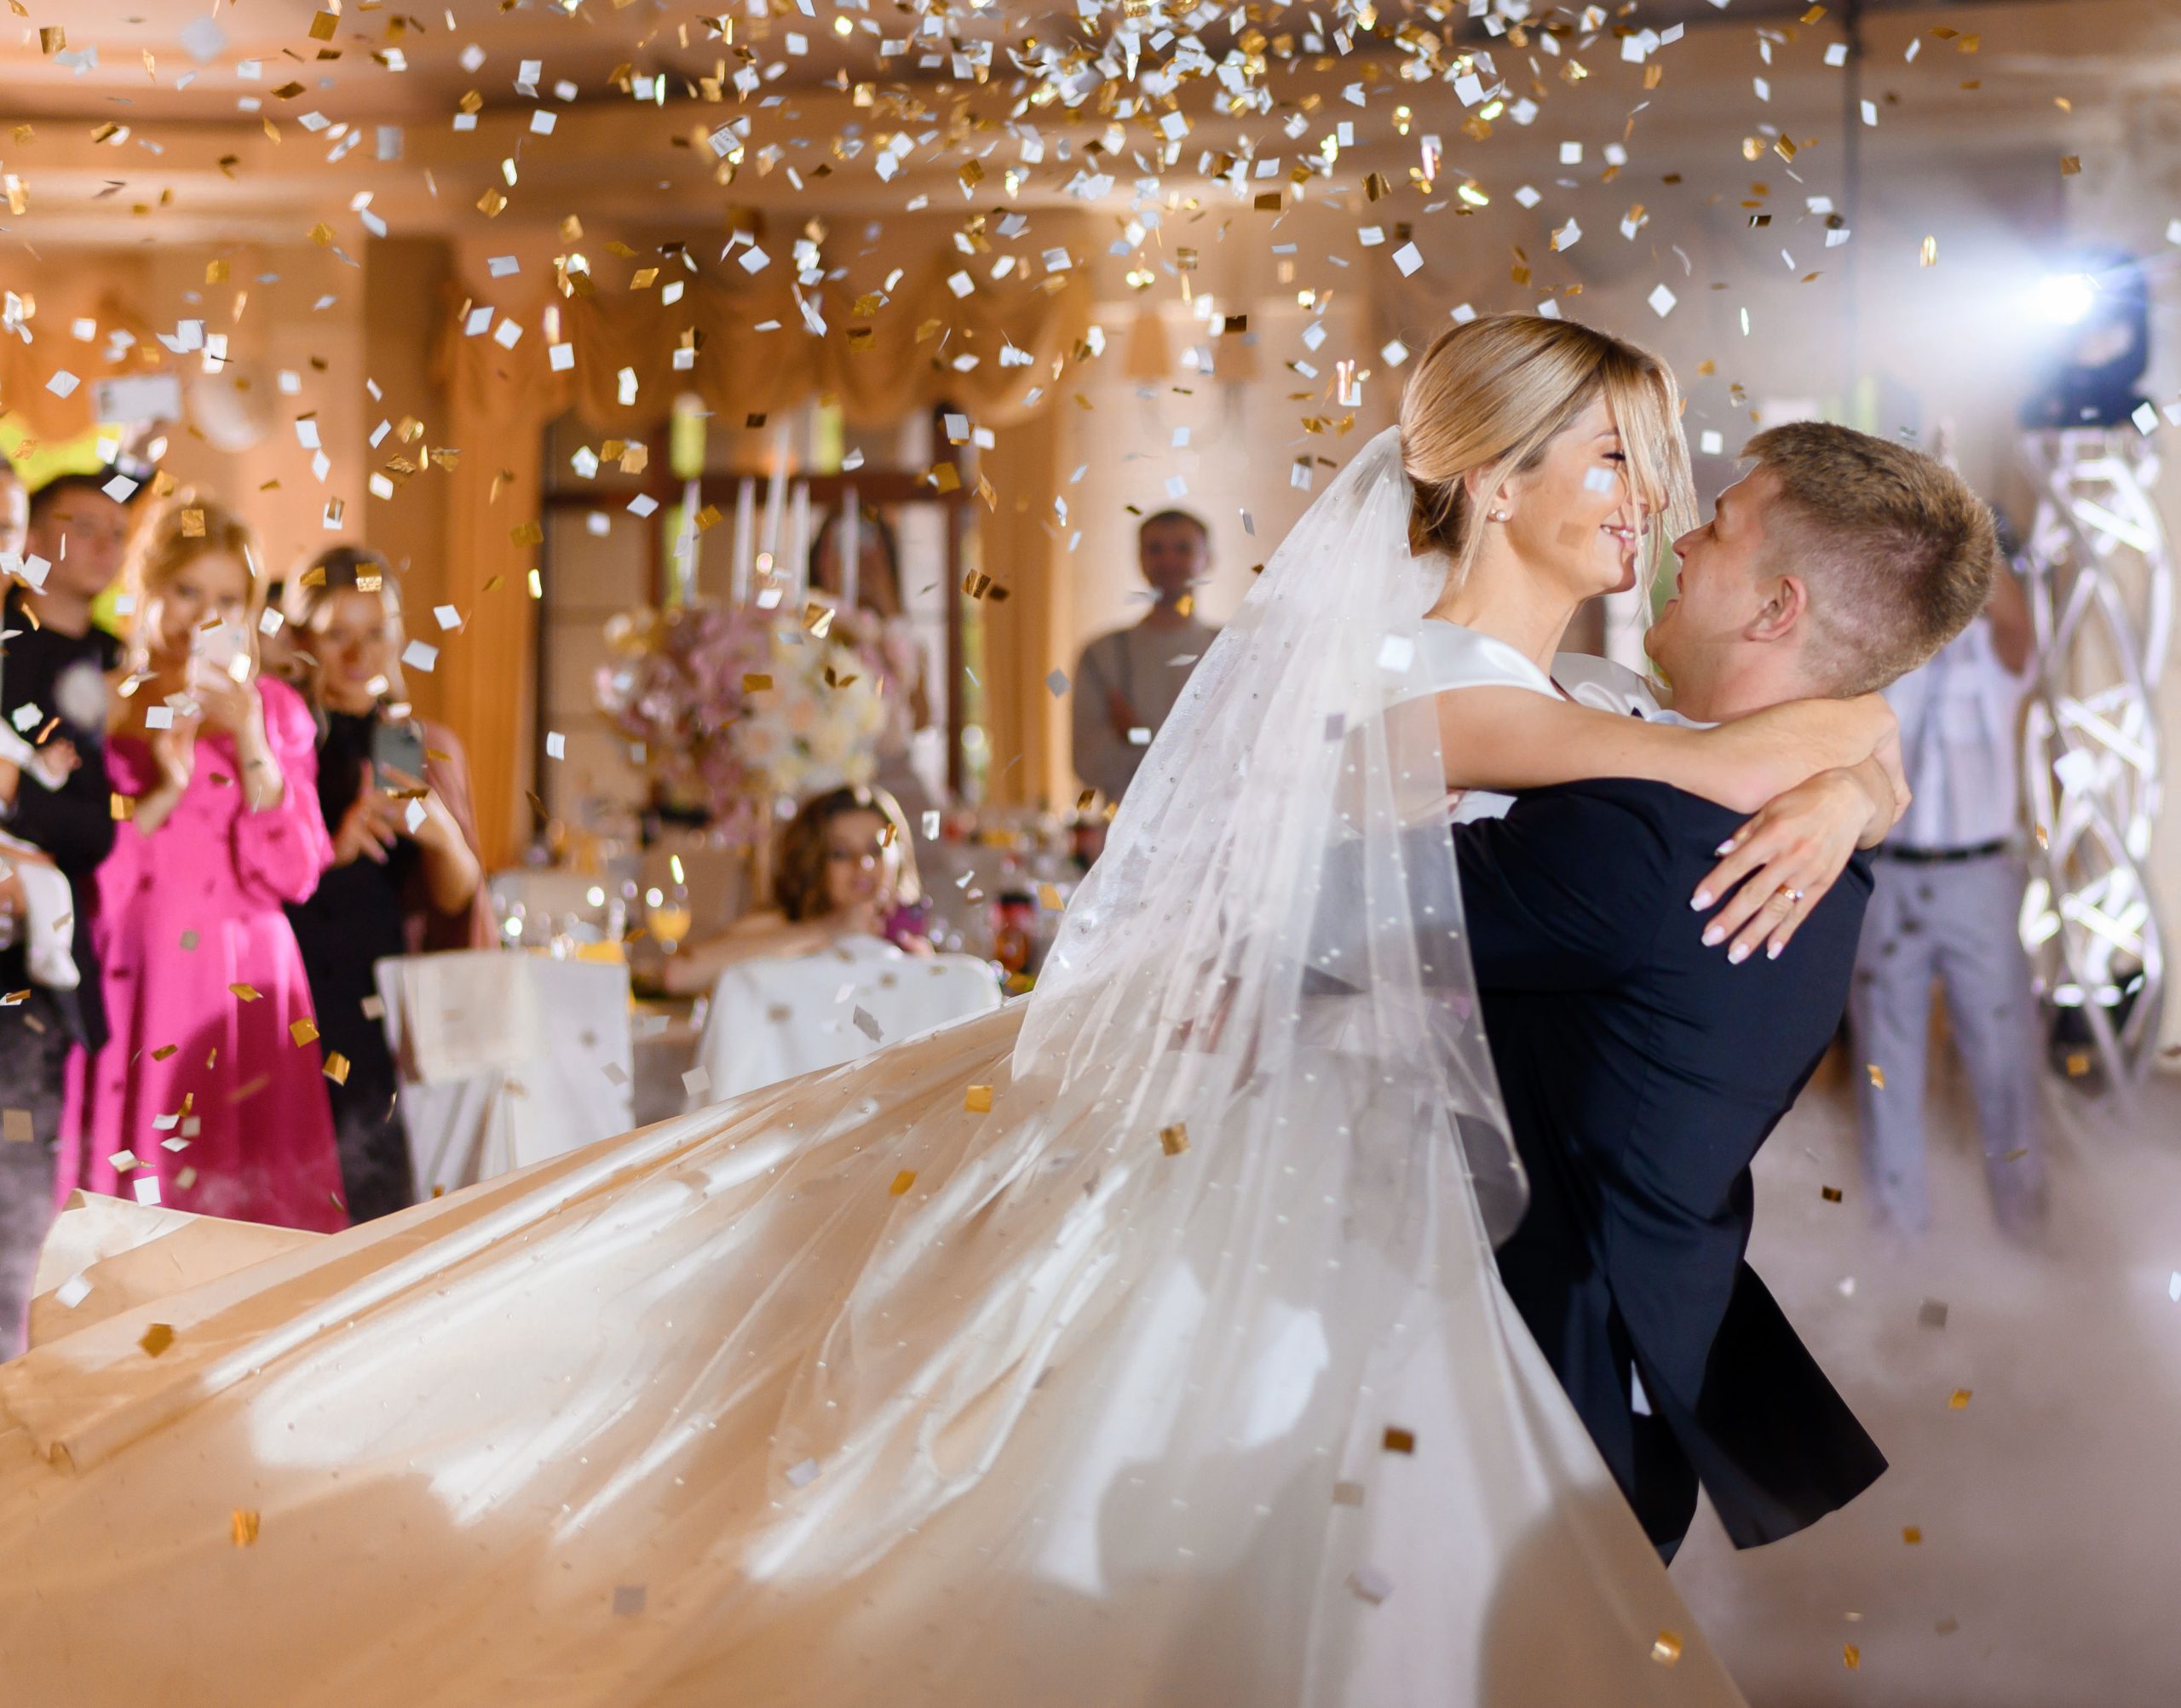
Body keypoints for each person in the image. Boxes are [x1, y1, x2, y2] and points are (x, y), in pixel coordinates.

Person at [0, 319, 1902, 1705]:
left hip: (1416, 1203)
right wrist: (1809, 750)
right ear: (1495, 478)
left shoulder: (1626, 724)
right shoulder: (1420, 668)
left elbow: (1710, 751)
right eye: (1617, 461)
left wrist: (1844, 754)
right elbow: (1464, 755)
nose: (1651, 504)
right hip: (1279, 1165)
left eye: (1662, 469)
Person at [1452, 419, 1997, 1561]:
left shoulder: (1647, 844)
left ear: (1776, 607)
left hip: (1524, 1413)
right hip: (1620, 1401)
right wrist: (1858, 756)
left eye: (1719, 523)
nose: (1678, 541)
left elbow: (1302, 905)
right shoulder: (1811, 837)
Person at [55, 497, 346, 1234]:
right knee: (141, 1217)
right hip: (139, 974)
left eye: (226, 601)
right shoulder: (104, 709)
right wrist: (164, 784)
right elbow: (91, 875)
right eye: (187, 592)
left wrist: (250, 737)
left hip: (249, 983)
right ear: (148, 591)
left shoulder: (275, 709)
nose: (202, 617)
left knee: (255, 1212)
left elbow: (297, 872)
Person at [282, 546, 491, 1225]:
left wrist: (439, 833)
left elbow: (454, 903)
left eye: (374, 632)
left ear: (398, 634)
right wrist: (332, 847)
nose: (356, 654)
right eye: (337, 633)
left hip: (372, 997)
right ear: (302, 636)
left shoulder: (411, 742)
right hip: (289, 977)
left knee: (373, 1197)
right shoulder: (279, 737)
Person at [1848, 553, 2046, 1235]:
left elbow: (2019, 624)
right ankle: (1898, 1249)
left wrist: (1962, 545)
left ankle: (2024, 1230)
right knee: (1884, 1062)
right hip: (1888, 872)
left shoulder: (1992, 661)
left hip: (1977, 878)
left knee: (2003, 1061)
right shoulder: (1884, 660)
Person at [0, 467, 130, 1358]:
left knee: (13, 1212)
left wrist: (12, 788)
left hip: (23, 991)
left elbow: (95, 825)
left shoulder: (53, 662)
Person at [659, 784, 928, 996]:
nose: (863, 864)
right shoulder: (782, 925)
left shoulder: (910, 945)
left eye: (875, 850)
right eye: (841, 853)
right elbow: (679, 974)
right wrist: (830, 928)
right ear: (812, 862)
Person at [1068, 509, 1222, 806]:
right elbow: (1086, 766)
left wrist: (1134, 735)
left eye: (1182, 549)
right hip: (1129, 833)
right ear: (1140, 558)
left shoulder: (1234, 650)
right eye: (1155, 549)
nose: (1168, 561)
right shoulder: (1101, 656)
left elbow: (1245, 754)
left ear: (1207, 558)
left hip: (1215, 834)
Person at [809, 505, 937, 818]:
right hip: (824, 783)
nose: (857, 561)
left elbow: (922, 720)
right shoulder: (809, 627)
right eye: (840, 548)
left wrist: (889, 616)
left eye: (868, 551)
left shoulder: (903, 639)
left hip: (893, 787)